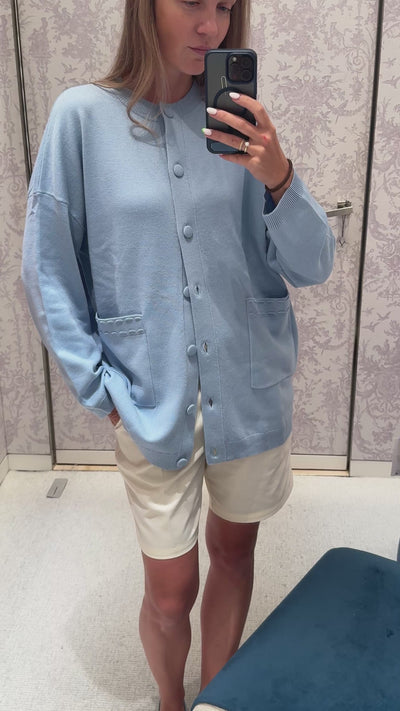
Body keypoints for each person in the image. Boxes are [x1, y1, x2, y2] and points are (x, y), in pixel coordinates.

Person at [21, 1, 335, 709]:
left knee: (235, 552)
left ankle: (214, 696)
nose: (211, 26)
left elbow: (313, 263)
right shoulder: (82, 119)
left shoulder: (239, 122)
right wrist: (97, 387)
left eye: (225, 6)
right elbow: (47, 269)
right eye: (193, 1)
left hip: (249, 385)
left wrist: (280, 176)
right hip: (147, 393)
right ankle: (171, 699)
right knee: (170, 591)